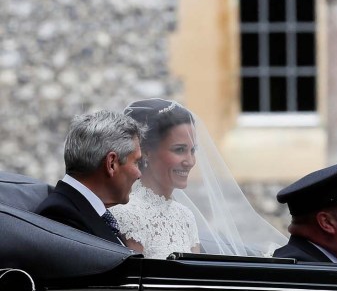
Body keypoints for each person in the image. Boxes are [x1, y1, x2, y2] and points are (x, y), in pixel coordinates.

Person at [111, 98, 286, 259]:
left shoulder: (185, 216)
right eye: (179, 150)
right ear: (147, 151)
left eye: (193, 150)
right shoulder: (127, 214)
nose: (190, 161)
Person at [35, 110, 145, 245]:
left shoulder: (83, 210)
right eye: (136, 162)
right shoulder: (61, 216)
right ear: (111, 164)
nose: (139, 174)